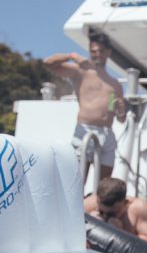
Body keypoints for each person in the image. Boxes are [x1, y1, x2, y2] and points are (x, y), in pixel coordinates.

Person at [44, 34, 127, 181]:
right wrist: (72, 55)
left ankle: (95, 204)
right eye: (93, 51)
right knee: (77, 181)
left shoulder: (115, 84)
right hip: (85, 130)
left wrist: (120, 110)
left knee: (105, 185)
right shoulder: (80, 71)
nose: (97, 55)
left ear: (108, 52)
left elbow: (120, 118)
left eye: (101, 51)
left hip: (107, 133)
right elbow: (48, 63)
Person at [84, 177, 147, 244]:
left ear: (125, 202)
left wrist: (121, 234)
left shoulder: (139, 208)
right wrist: (90, 226)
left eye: (111, 214)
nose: (105, 216)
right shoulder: (88, 204)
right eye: (101, 212)